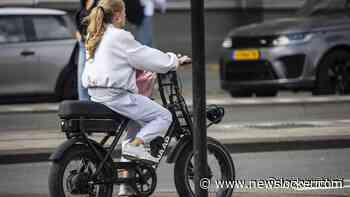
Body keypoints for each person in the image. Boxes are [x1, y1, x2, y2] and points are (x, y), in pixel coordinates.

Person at [75, 0, 99, 100]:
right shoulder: (83, 2)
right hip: (82, 44)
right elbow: (79, 21)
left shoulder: (99, 3)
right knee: (81, 78)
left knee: (94, 77)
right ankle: (83, 105)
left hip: (95, 45)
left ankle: (95, 104)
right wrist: (77, 33)